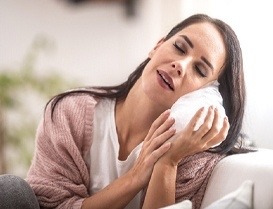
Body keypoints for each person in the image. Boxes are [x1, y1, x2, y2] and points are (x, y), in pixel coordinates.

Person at [18, 13, 246, 209]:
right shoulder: (69, 113)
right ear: (157, 46)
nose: (180, 65)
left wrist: (168, 162)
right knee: (11, 190)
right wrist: (135, 178)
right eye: (179, 47)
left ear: (208, 95)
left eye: (199, 69)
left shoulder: (192, 156)